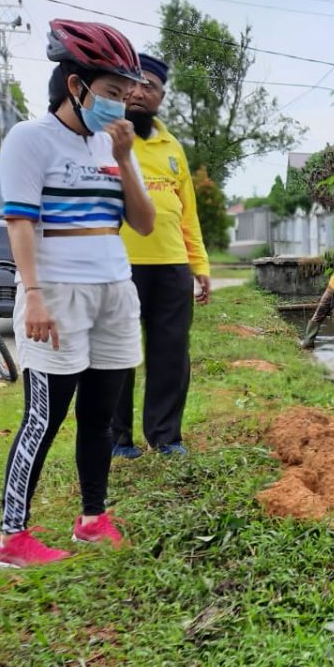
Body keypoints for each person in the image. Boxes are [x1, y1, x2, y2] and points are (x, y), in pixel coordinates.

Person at [0, 19, 155, 568]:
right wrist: (32, 293)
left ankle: (92, 518)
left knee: (102, 415)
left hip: (113, 290)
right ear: (75, 87)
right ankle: (12, 537)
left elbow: (145, 224)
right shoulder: (29, 139)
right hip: (56, 294)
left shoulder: (112, 148)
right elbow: (19, 223)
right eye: (112, 94)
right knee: (46, 416)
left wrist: (127, 159)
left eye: (125, 96)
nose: (121, 106)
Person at [111, 53, 210, 459]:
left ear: (161, 96)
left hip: (171, 266)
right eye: (130, 83)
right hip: (119, 264)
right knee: (117, 353)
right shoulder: (108, 138)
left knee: (170, 353)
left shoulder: (173, 148)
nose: (138, 92)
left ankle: (165, 436)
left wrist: (199, 265)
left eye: (148, 85)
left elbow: (188, 212)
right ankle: (117, 440)